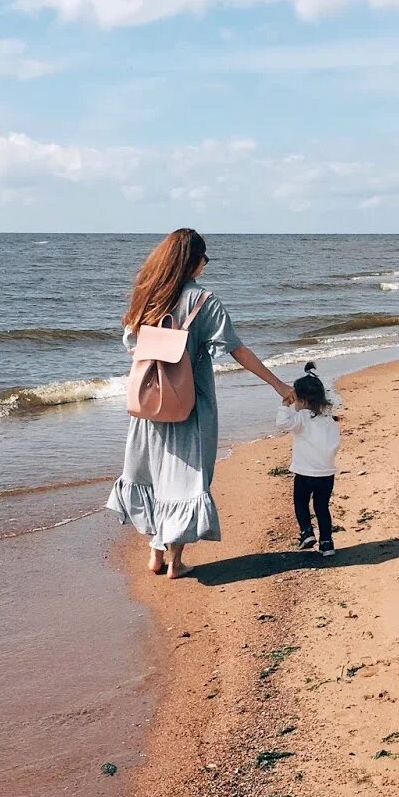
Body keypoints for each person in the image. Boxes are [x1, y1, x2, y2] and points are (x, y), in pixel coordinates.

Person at [108, 228, 294, 579]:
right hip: (189, 402)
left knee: (154, 471)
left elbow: (130, 340)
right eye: (204, 257)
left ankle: (155, 552)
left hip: (149, 399)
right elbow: (237, 349)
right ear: (193, 260)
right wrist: (278, 384)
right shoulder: (203, 300)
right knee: (186, 476)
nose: (206, 263)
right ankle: (175, 562)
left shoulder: (147, 296)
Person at [276, 369, 341, 558]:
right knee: (322, 507)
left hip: (305, 472)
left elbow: (282, 423)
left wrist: (284, 405)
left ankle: (306, 531)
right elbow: (335, 444)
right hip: (326, 472)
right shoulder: (330, 419)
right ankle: (327, 543)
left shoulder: (302, 418)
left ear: (302, 400)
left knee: (301, 502)